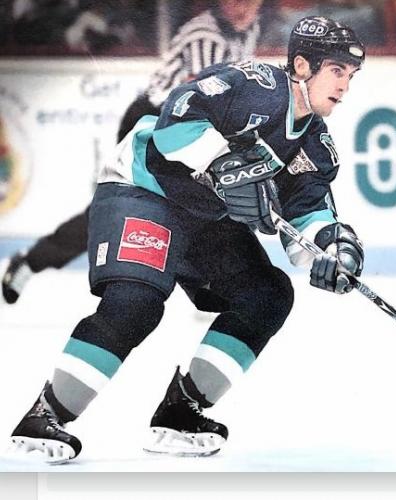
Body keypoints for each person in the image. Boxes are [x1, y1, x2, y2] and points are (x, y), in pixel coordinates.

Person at [9, 16, 366, 462]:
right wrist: (220, 161)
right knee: (136, 302)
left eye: (351, 75)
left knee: (267, 295)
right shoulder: (252, 85)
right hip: (145, 189)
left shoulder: (315, 146)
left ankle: (182, 411)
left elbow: (309, 213)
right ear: (301, 66)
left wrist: (333, 251)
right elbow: (175, 117)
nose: (344, 85)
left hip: (203, 216)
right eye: (337, 70)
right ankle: (46, 414)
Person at [1, 0, 263, 305]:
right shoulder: (206, 36)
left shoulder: (250, 29)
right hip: (155, 124)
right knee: (127, 205)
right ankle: (32, 261)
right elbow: (202, 102)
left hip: (180, 125)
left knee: (194, 200)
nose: (243, 6)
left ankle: (206, 283)